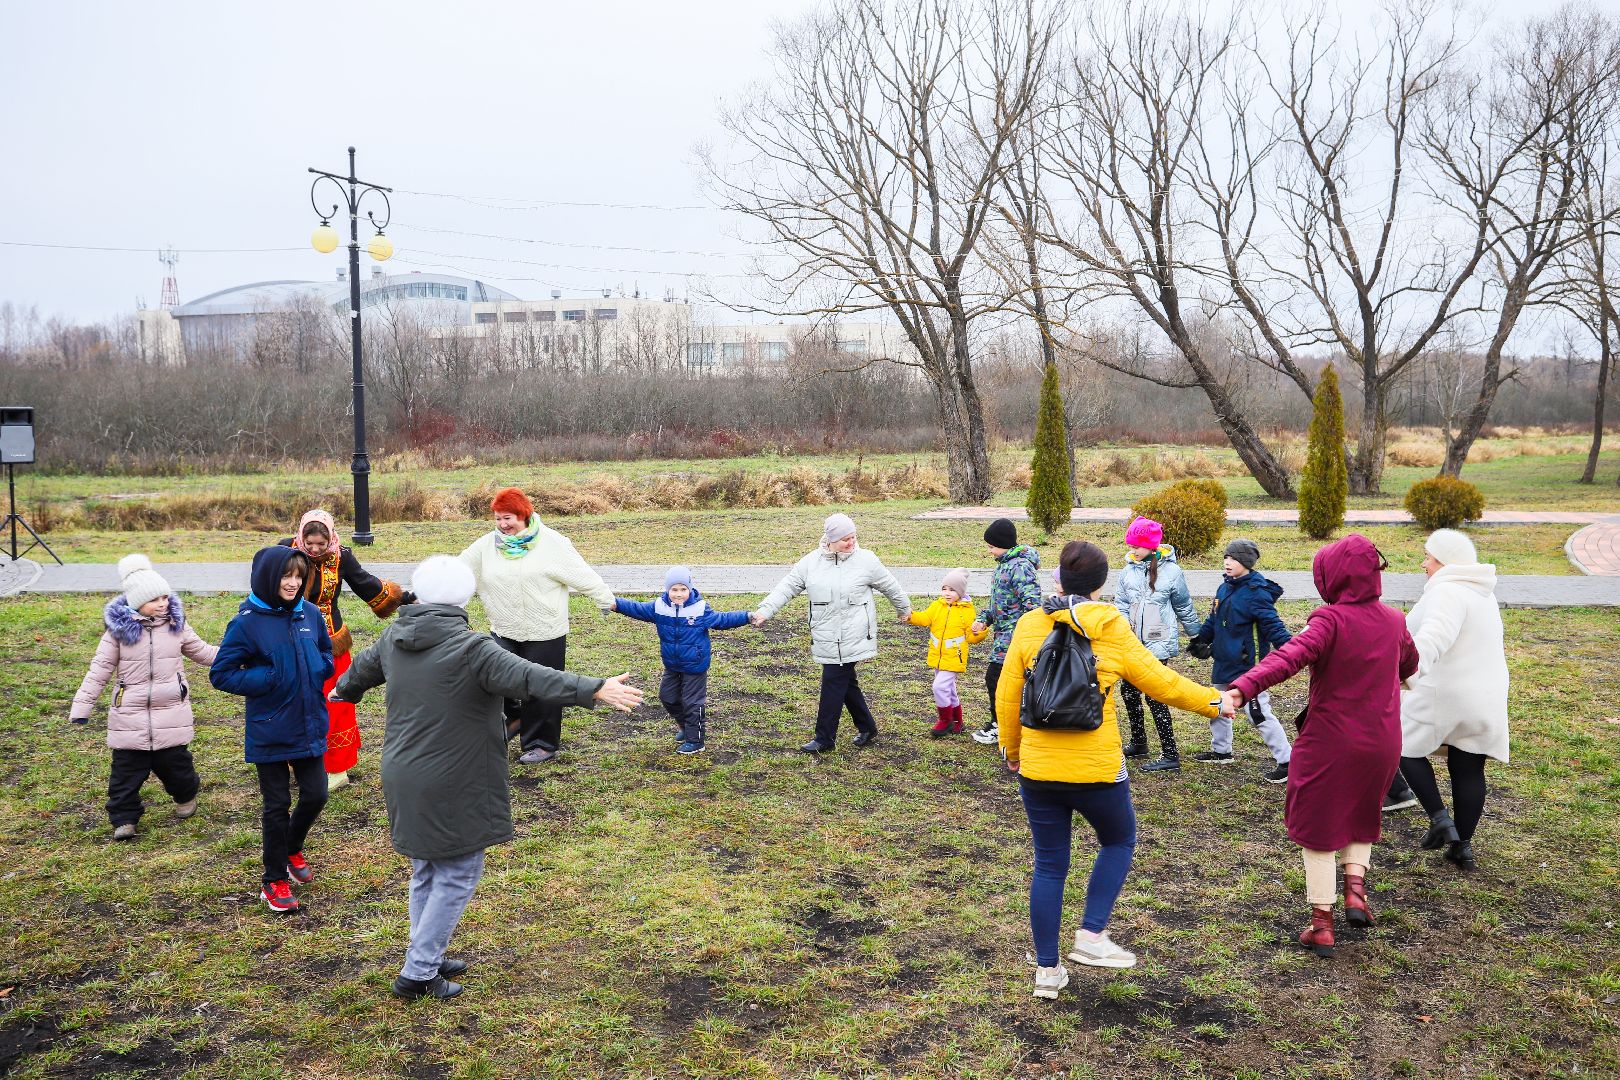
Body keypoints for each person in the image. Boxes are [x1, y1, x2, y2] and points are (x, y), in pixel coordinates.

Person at [331, 556, 643, 999]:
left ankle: (427, 953)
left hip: (403, 770)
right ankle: (418, 972)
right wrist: (593, 687)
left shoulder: (394, 638)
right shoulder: (472, 648)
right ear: (464, 597)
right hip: (452, 774)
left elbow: (358, 672)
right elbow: (531, 677)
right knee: (458, 869)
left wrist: (341, 690)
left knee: (428, 866)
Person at [998, 541, 1231, 999]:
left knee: (1049, 865)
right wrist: (1213, 703)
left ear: (1059, 580)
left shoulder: (1029, 625)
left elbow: (1008, 695)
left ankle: (1047, 971)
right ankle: (1091, 936)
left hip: (1039, 768)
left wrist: (1012, 748)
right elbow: (1160, 681)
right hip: (1097, 769)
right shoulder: (1112, 627)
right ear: (1102, 585)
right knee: (1119, 840)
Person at [1223, 534, 1419, 959]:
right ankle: (1356, 892)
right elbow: (1409, 664)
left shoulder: (1329, 621)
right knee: (1361, 809)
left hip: (1331, 741)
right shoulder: (1394, 620)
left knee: (1318, 826)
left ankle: (1322, 925)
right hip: (1382, 741)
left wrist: (1241, 689)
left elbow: (1288, 657)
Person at [210, 546, 335, 915]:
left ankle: (291, 845)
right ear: (269, 578)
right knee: (277, 805)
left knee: (316, 795)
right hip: (271, 727)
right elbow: (222, 673)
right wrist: (272, 676)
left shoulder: (309, 613)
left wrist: (319, 669)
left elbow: (326, 653)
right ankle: (273, 879)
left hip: (310, 720)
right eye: (286, 576)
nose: (294, 583)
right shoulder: (247, 623)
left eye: (299, 576)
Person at [459, 487, 615, 766]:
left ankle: (541, 743)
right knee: (496, 678)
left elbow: (581, 573)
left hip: (545, 630)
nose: (503, 525)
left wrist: (605, 599)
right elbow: (457, 572)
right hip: (504, 626)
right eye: (497, 519)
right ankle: (515, 717)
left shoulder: (552, 542)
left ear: (524, 514)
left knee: (544, 687)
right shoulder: (486, 547)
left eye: (508, 518)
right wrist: (428, 595)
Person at [71, 555, 217, 841]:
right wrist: (81, 706)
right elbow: (98, 671)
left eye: (165, 597)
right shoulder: (118, 634)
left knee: (178, 770)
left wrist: (239, 656)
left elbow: (204, 652)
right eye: (154, 599)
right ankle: (124, 818)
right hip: (129, 716)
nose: (162, 603)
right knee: (124, 776)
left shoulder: (177, 626)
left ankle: (186, 797)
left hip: (170, 713)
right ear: (135, 602)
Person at [1397, 529, 1510, 871]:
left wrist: (1406, 674)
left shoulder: (1447, 591)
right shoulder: (1481, 594)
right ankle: (1462, 846)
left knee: (1400, 746)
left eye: (1428, 557)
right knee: (1469, 766)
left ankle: (1439, 817)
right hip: (1485, 694)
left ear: (1445, 561)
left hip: (1445, 692)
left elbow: (1433, 638)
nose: (1423, 564)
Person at [753, 513, 912, 752]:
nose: (851, 543)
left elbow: (891, 586)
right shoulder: (810, 563)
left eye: (853, 537)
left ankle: (824, 737)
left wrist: (904, 610)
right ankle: (867, 726)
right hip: (826, 633)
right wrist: (765, 610)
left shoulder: (866, 560)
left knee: (833, 681)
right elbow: (786, 587)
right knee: (845, 681)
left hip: (854, 633)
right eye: (845, 539)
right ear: (830, 540)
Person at [279, 510, 412, 791]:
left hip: (330, 643)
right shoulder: (283, 550)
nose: (314, 549)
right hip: (288, 640)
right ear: (300, 535)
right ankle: (299, 759)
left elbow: (367, 584)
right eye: (309, 542)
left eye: (321, 543)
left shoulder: (342, 556)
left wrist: (403, 598)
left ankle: (336, 768)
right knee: (294, 699)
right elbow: (264, 585)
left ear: (330, 538)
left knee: (334, 702)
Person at [608, 565, 752, 755]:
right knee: (667, 696)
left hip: (695, 664)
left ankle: (695, 740)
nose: (678, 594)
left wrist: (748, 617)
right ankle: (686, 727)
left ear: (690, 589)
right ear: (667, 590)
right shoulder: (658, 607)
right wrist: (615, 604)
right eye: (674, 589)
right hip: (672, 663)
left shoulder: (700, 609)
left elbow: (722, 620)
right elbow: (636, 608)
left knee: (692, 701)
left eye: (683, 589)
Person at [1189, 539, 1294, 783]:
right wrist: (1200, 641)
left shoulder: (1256, 594)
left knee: (1258, 713)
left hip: (1249, 666)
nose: (1227, 562)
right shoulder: (1224, 588)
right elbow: (1213, 620)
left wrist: (1293, 651)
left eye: (1233, 558)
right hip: (1224, 661)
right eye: (1226, 557)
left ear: (1246, 563)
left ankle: (1288, 761)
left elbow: (1273, 626)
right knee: (1217, 706)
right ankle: (1221, 751)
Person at [1112, 518, 1202, 773]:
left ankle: (1170, 753)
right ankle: (1139, 741)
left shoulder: (1172, 572)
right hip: (1131, 643)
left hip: (1157, 642)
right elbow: (1120, 602)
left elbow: (1184, 606)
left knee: (1155, 696)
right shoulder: (1128, 570)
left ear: (1152, 546)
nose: (1133, 550)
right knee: (1129, 693)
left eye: (1137, 546)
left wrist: (1197, 635)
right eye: (1130, 545)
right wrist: (1121, 626)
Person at [972, 518, 1043, 746]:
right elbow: (999, 602)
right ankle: (1005, 723)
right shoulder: (1003, 564)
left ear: (1003, 543)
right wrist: (984, 619)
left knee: (996, 678)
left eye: (991, 545)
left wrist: (1022, 634)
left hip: (1014, 638)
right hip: (1003, 635)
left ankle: (1001, 726)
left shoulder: (1020, 566)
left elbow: (1032, 604)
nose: (989, 549)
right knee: (1000, 680)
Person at [905, 568, 989, 737]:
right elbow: (925, 618)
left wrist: (979, 632)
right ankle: (958, 722)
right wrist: (910, 616)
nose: (947, 593)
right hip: (937, 655)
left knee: (939, 686)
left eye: (952, 590)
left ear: (961, 591)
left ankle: (945, 720)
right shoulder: (937, 606)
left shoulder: (967, 611)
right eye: (944, 588)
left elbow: (970, 637)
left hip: (954, 658)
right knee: (949, 690)